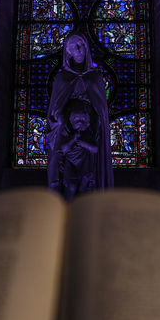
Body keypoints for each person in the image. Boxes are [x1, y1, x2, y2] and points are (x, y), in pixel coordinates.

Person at [47, 34, 113, 199]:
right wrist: (60, 119)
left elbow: (101, 107)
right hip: (68, 129)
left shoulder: (95, 77)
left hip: (89, 128)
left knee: (88, 178)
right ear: (67, 52)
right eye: (74, 46)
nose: (78, 48)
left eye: (81, 45)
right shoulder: (62, 78)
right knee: (68, 180)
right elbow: (55, 108)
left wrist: (96, 120)